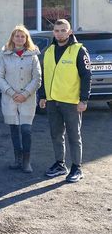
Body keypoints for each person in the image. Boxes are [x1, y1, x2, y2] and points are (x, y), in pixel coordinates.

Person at [39, 19, 91, 183]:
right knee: (56, 134)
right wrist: (42, 96)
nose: (60, 33)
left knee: (74, 136)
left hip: (71, 102)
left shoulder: (79, 50)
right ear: (53, 32)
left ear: (70, 32)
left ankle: (77, 167)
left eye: (63, 30)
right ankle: (60, 164)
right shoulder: (48, 51)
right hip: (53, 101)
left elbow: (86, 76)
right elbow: (44, 75)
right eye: (57, 30)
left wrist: (84, 99)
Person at [0, 25, 41, 173]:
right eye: (17, 36)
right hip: (10, 99)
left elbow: (37, 78)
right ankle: (18, 159)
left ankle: (27, 161)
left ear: (26, 38)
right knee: (14, 129)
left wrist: (25, 94)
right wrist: (11, 93)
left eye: (22, 36)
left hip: (27, 99)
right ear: (12, 38)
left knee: (26, 130)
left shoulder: (33, 56)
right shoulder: (5, 56)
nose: (20, 38)